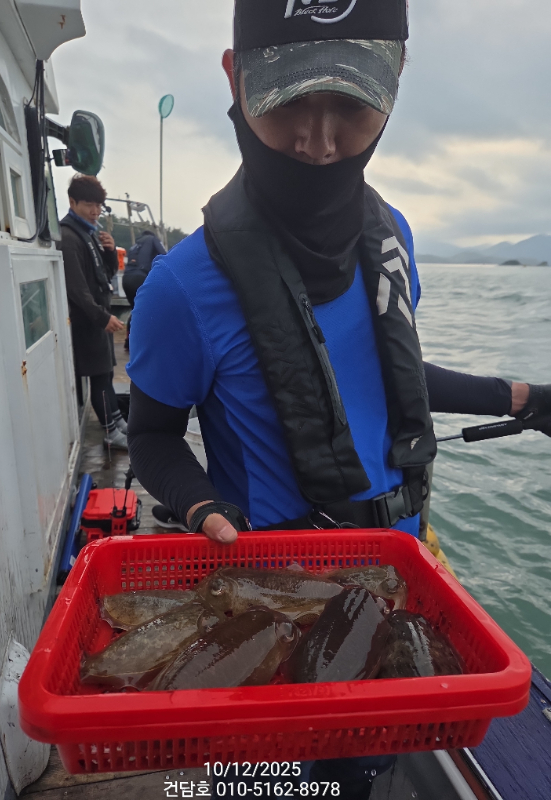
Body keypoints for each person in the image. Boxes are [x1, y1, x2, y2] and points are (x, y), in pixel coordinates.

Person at [127, 1, 551, 796]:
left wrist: (521, 395)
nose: (318, 143)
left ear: (396, 83)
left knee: (358, 778)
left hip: (390, 585)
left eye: (352, 104)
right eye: (289, 99)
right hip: (269, 605)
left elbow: (385, 376)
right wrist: (199, 504)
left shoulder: (393, 237)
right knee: (268, 784)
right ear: (236, 78)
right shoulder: (180, 288)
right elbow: (149, 435)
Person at [60, 175, 129, 450]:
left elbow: (106, 275)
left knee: (107, 373)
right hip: (87, 321)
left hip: (98, 317)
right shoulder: (69, 237)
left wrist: (110, 252)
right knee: (99, 376)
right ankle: (110, 431)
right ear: (72, 202)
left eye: (98, 205)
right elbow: (77, 289)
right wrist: (102, 318)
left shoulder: (89, 233)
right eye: (89, 204)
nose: (95, 211)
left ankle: (117, 421)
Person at [122, 227, 166, 351]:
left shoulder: (135, 245)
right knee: (150, 309)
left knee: (135, 309)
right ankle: (149, 342)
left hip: (126, 279)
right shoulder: (153, 239)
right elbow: (165, 256)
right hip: (140, 278)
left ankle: (129, 341)